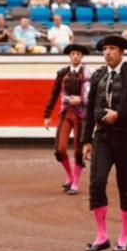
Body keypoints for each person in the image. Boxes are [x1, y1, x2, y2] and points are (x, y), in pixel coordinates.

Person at [81, 35, 127, 251]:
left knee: (125, 185)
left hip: (126, 136)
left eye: (112, 48)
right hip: (102, 136)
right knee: (96, 183)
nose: (107, 53)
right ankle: (102, 236)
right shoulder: (99, 75)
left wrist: (120, 116)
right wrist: (86, 140)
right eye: (105, 49)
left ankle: (124, 237)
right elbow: (90, 111)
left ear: (122, 52)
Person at [44, 44, 92, 195]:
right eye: (72, 54)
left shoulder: (88, 73)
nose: (75, 56)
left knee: (79, 149)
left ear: (82, 56)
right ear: (69, 56)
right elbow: (54, 93)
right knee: (60, 148)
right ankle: (70, 175)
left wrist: (83, 101)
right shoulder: (63, 73)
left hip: (81, 115)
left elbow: (93, 95)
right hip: (66, 113)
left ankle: (76, 182)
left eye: (78, 54)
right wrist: (47, 114)